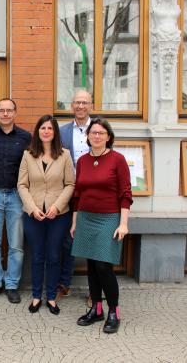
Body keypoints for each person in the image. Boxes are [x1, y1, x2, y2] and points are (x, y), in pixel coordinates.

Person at [71, 117, 132, 334]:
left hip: (109, 218)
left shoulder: (118, 159)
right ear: (87, 137)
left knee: (103, 266)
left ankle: (113, 311)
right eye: (93, 133)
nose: (96, 136)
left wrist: (123, 223)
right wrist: (75, 222)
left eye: (101, 133)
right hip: (86, 218)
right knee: (90, 267)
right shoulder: (83, 161)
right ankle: (96, 309)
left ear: (108, 137)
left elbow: (126, 194)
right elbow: (78, 195)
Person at [17, 115, 75, 315]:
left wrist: (57, 207)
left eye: (50, 128)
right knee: (37, 256)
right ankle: (35, 297)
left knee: (53, 256)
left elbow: (70, 184)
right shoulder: (28, 154)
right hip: (34, 215)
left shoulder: (65, 155)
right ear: (37, 131)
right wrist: (32, 208)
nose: (46, 131)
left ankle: (51, 297)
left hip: (58, 216)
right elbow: (22, 185)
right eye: (43, 128)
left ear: (55, 132)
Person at [0, 98, 31, 304]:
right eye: (1, 110)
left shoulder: (26, 138)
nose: (5, 114)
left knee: (16, 244)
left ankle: (11, 284)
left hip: (16, 196)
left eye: (9, 110)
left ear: (15, 113)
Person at [57, 90, 93, 302]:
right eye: (77, 103)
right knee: (66, 241)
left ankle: (94, 290)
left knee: (91, 241)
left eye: (84, 103)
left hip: (91, 193)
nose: (80, 106)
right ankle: (64, 284)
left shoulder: (99, 130)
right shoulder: (62, 132)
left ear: (91, 105)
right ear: (72, 106)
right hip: (68, 192)